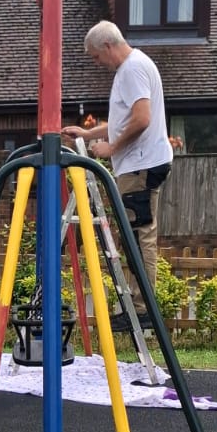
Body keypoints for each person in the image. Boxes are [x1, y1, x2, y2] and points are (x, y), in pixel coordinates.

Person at [63, 20, 173, 329]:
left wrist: (112, 147)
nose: (97, 63)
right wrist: (88, 133)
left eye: (96, 56)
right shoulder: (134, 67)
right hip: (141, 163)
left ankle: (142, 309)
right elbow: (124, 120)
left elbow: (141, 119)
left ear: (108, 46)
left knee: (138, 235)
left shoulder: (132, 69)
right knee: (134, 235)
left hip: (140, 165)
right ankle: (140, 306)